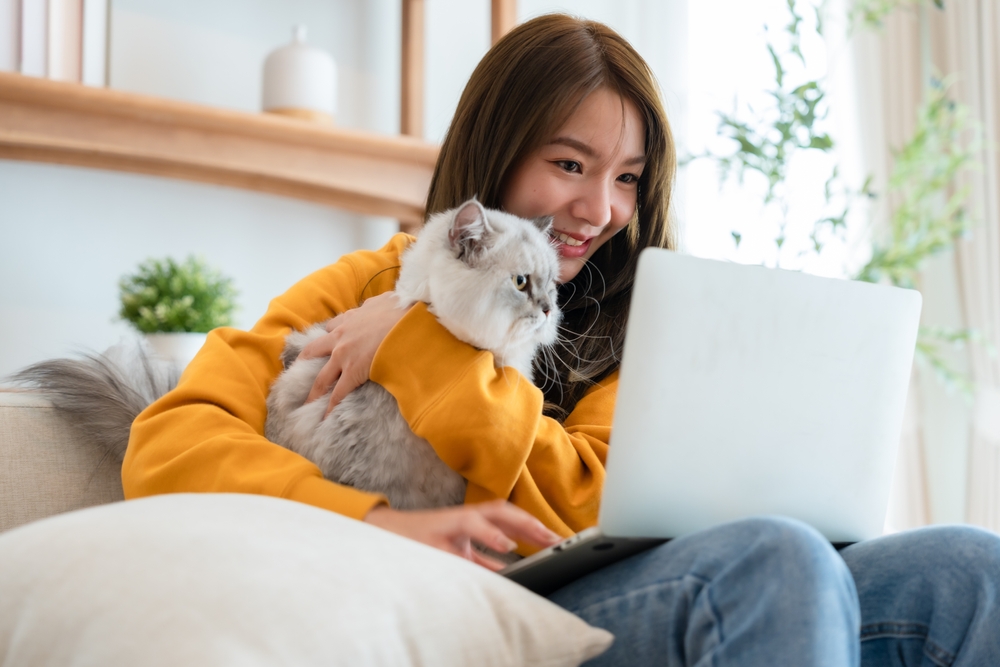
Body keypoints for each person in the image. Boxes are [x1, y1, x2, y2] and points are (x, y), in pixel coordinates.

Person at [124, 13, 1000, 666]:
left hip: (654, 579)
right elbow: (171, 442)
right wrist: (380, 519)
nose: (601, 210)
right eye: (571, 164)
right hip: (503, 600)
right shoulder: (371, 282)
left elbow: (587, 505)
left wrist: (419, 348)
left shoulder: (642, 322)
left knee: (970, 566)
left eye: (627, 178)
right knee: (778, 561)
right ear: (496, 153)